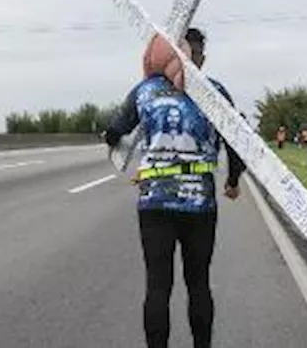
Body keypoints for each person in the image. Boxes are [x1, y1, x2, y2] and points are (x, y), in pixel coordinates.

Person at [103, 27, 246, 348]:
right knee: (198, 284)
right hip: (200, 204)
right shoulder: (216, 92)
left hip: (155, 201)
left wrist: (118, 141)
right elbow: (238, 144)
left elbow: (114, 131)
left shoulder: (145, 90)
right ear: (201, 57)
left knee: (157, 286)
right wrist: (233, 179)